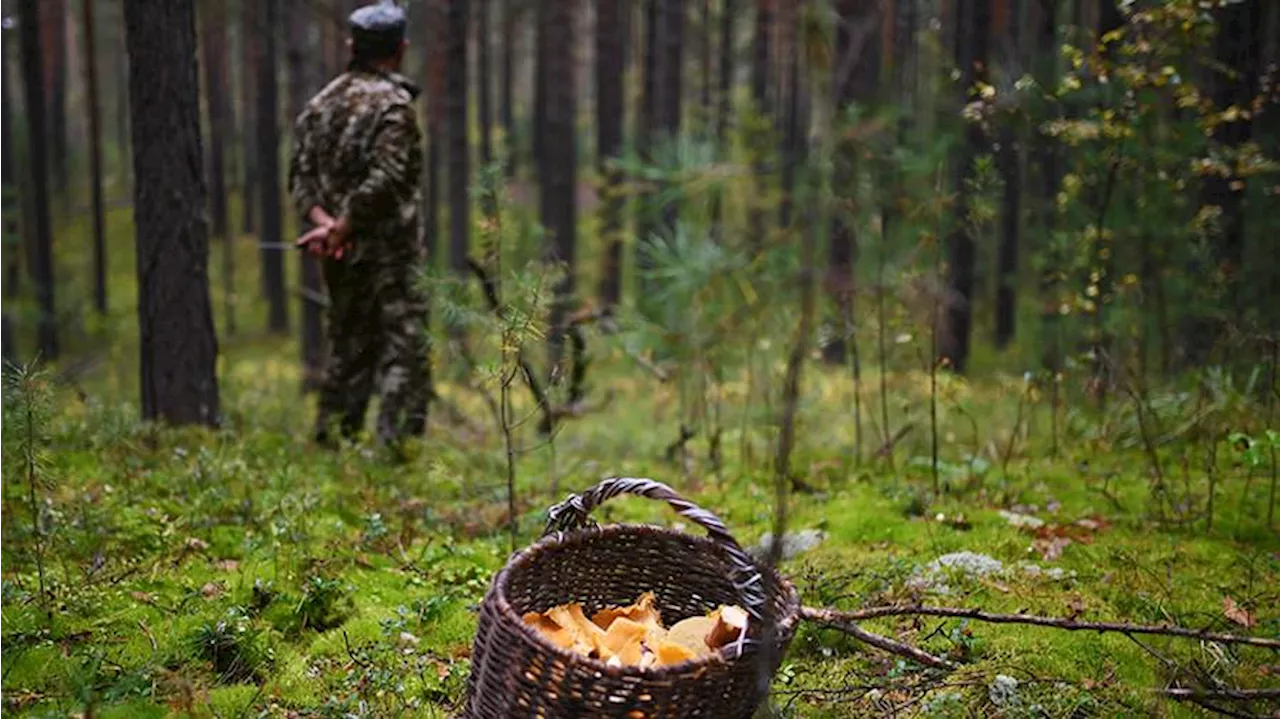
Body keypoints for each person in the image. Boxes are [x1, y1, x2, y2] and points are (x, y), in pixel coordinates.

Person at [287, 0, 429, 455]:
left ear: (353, 47)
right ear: (400, 48)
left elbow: (300, 180)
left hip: (340, 253)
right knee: (405, 349)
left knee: (347, 344)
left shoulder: (320, 105)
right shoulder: (395, 107)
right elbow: (385, 180)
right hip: (389, 255)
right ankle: (395, 452)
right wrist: (344, 227)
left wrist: (326, 225)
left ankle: (334, 442)